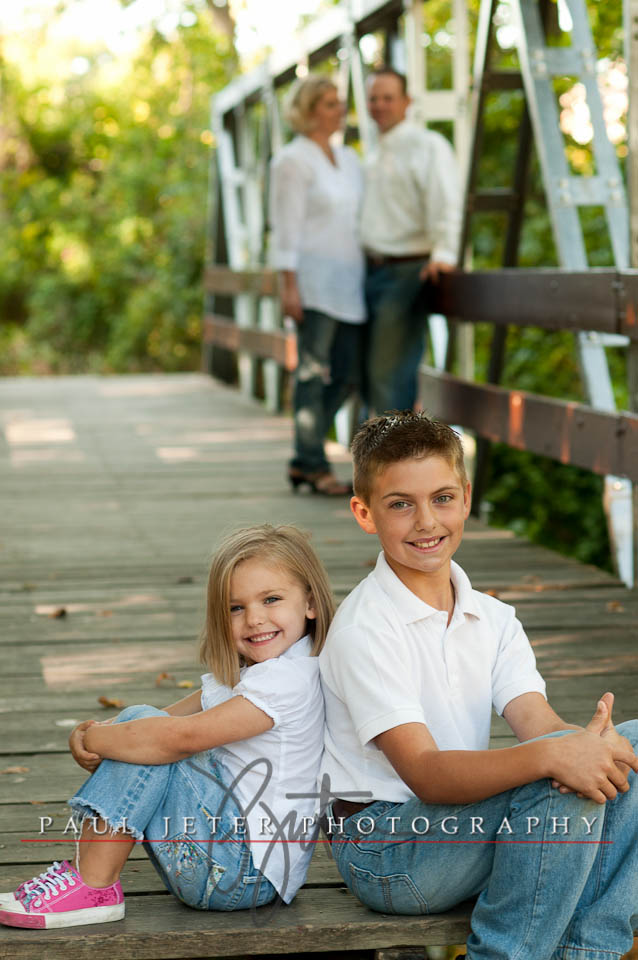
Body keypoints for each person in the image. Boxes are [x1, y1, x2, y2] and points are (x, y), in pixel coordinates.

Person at [318, 410, 638, 960]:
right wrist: (556, 758)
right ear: (364, 513)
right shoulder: (364, 630)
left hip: (460, 827)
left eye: (442, 498)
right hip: (385, 846)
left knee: (626, 751)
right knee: (555, 782)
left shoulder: (492, 618)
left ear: (466, 497)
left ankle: (586, 952)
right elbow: (428, 774)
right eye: (400, 504)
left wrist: (589, 745)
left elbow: (538, 723)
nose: (426, 521)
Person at [0, 523, 334, 929]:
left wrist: (97, 737)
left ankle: (91, 885)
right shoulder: (256, 674)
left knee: (148, 732)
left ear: (311, 603)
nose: (254, 619)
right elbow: (166, 718)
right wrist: (109, 735)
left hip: (242, 870)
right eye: (236, 608)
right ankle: (84, 879)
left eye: (272, 599)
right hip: (226, 864)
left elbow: (181, 737)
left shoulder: (290, 680)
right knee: (142, 727)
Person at [269, 74, 366, 496]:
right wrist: (288, 286)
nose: (339, 109)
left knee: (348, 372)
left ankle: (305, 454)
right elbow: (285, 229)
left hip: (352, 280)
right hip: (313, 282)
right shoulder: (292, 160)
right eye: (328, 103)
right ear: (308, 112)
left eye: (339, 102)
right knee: (312, 373)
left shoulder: (350, 160)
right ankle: (310, 462)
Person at [361, 67, 462, 414]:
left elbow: (447, 202)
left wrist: (445, 252)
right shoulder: (373, 152)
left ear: (407, 102)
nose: (380, 105)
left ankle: (395, 464)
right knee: (367, 374)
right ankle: (373, 465)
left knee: (388, 375)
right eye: (373, 98)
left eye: (388, 97)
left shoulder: (427, 145)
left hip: (405, 271)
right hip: (367, 271)